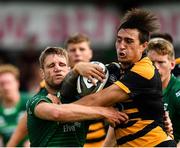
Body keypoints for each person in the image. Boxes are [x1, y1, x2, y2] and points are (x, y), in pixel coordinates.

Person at [67, 8, 176, 147]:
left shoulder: (144, 70)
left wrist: (58, 113)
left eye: (129, 41)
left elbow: (96, 100)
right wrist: (77, 69)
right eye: (119, 40)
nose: (121, 46)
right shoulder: (117, 70)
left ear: (143, 46)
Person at [26, 46, 128, 147]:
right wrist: (103, 112)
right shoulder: (37, 100)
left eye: (62, 64)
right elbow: (57, 113)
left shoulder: (82, 99)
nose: (57, 68)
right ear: (42, 73)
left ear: (68, 69)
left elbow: (115, 122)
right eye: (51, 65)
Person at [65, 33, 109, 147]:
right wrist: (76, 70)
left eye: (82, 49)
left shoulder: (104, 77)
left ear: (90, 53)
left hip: (100, 143)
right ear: (66, 55)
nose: (77, 53)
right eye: (73, 50)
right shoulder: (54, 81)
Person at [147, 37, 180, 146]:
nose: (156, 67)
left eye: (161, 62)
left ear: (172, 65)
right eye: (151, 62)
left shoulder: (177, 91)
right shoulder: (139, 88)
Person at [0, 64, 31, 146]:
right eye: (2, 84)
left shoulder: (30, 101)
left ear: (17, 83)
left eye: (8, 82)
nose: (6, 87)